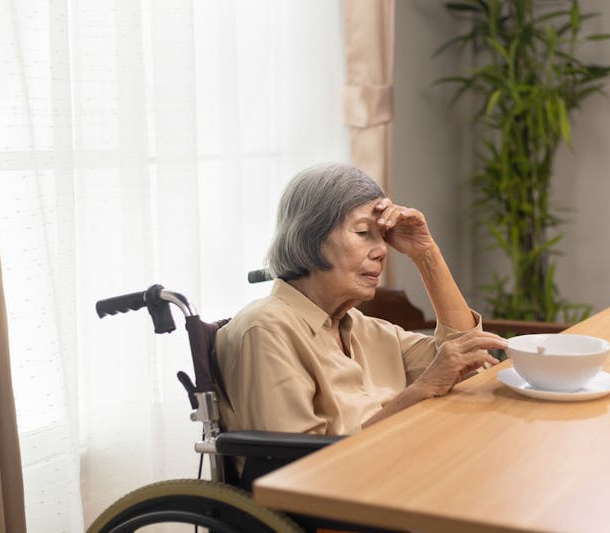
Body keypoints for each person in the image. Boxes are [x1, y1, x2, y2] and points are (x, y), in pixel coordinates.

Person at [215, 162, 507, 436]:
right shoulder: (266, 330)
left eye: (384, 236)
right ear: (310, 237)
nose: (382, 250)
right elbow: (294, 467)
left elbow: (467, 363)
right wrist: (422, 388)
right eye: (364, 232)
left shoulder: (364, 329)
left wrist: (425, 252)